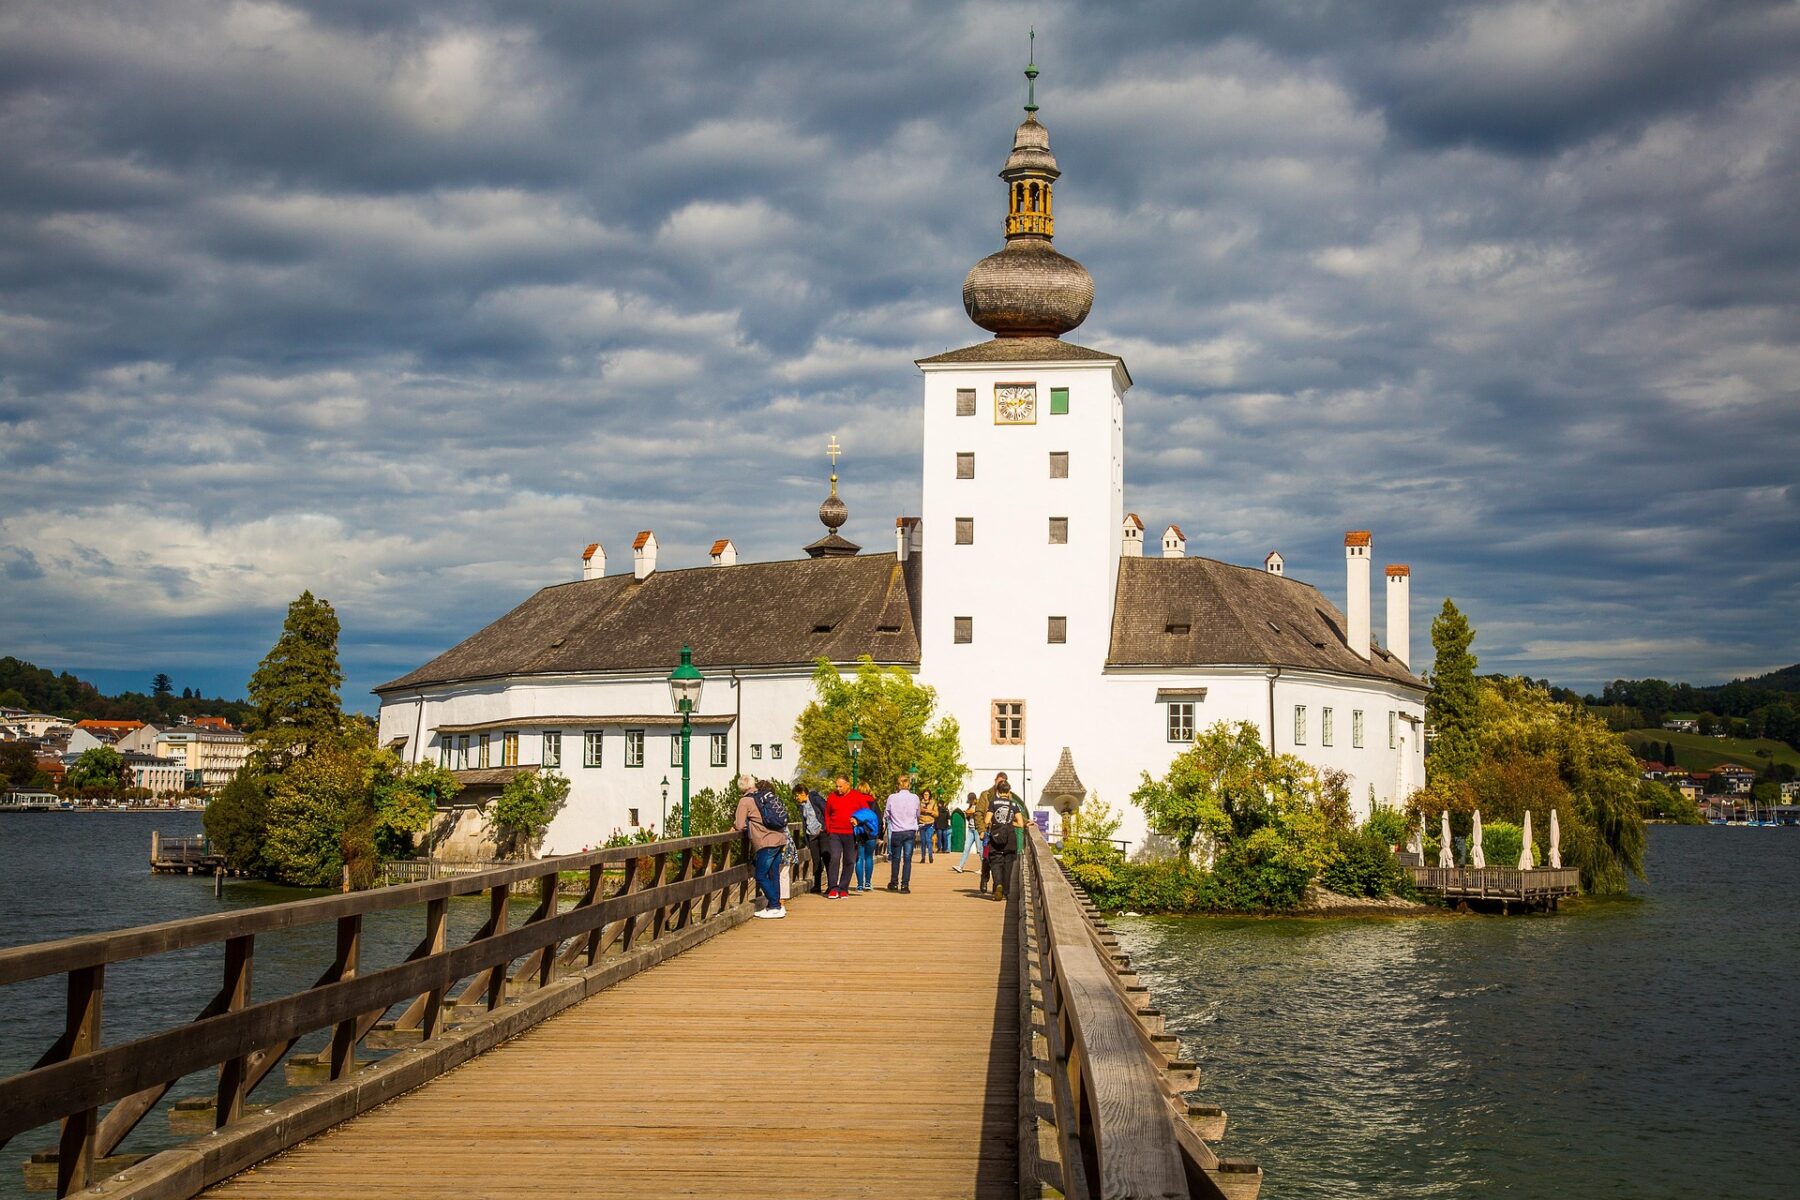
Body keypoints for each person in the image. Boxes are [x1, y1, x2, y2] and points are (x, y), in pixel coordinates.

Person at [733, 774, 789, 918]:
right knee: (773, 873)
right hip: (779, 838)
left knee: (760, 875)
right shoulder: (763, 796)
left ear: (741, 787)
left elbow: (739, 825)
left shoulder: (745, 801)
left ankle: (775, 905)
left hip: (765, 841)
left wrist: (742, 826)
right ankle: (775, 907)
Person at [982, 774, 1026, 902]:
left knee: (996, 863)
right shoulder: (1014, 805)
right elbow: (1021, 824)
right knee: (1008, 866)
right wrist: (1010, 823)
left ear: (998, 791)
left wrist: (995, 823)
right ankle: (1006, 891)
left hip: (996, 838)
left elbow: (986, 820)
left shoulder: (993, 803)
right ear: (1008, 791)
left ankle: (998, 885)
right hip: (1010, 839)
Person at [822, 775, 863, 899]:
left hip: (851, 833)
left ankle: (843, 888)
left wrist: (858, 820)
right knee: (834, 858)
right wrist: (829, 829)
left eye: (840, 786)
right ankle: (833, 887)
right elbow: (827, 814)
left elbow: (866, 812)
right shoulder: (832, 797)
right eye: (837, 786)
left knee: (849, 860)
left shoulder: (857, 797)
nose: (838, 789)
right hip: (835, 833)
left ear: (847, 785)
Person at [884, 774, 921, 891]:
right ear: (909, 785)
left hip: (897, 830)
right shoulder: (915, 798)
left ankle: (894, 882)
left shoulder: (892, 797)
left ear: (898, 785)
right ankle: (905, 885)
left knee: (896, 858)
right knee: (907, 859)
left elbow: (886, 814)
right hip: (910, 830)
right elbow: (918, 814)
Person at [797, 783, 828, 895]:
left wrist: (824, 827)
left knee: (826, 857)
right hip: (811, 834)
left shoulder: (815, 799)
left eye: (797, 795)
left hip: (823, 833)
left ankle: (831, 885)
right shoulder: (802, 806)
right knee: (816, 860)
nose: (797, 798)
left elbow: (827, 810)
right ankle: (817, 885)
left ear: (803, 793)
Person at [851, 795, 881, 892]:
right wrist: (879, 835)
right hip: (871, 834)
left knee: (859, 858)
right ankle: (867, 883)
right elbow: (879, 820)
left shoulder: (855, 801)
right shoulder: (873, 802)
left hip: (860, 834)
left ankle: (859, 885)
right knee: (869, 857)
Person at [952, 792, 984, 874]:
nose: (969, 802)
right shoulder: (970, 806)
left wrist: (967, 812)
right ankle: (960, 866)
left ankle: (984, 868)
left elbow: (973, 812)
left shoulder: (978, 805)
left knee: (980, 850)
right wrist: (967, 814)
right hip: (971, 829)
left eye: (970, 801)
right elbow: (968, 814)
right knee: (966, 848)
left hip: (977, 829)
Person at [916, 788, 938, 863]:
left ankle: (930, 856)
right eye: (925, 794)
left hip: (930, 823)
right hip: (922, 823)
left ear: (929, 795)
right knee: (923, 841)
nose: (926, 796)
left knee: (928, 839)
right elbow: (916, 812)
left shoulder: (933, 803)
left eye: (927, 794)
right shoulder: (919, 803)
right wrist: (921, 810)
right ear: (923, 795)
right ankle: (923, 857)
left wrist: (930, 811)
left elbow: (937, 814)